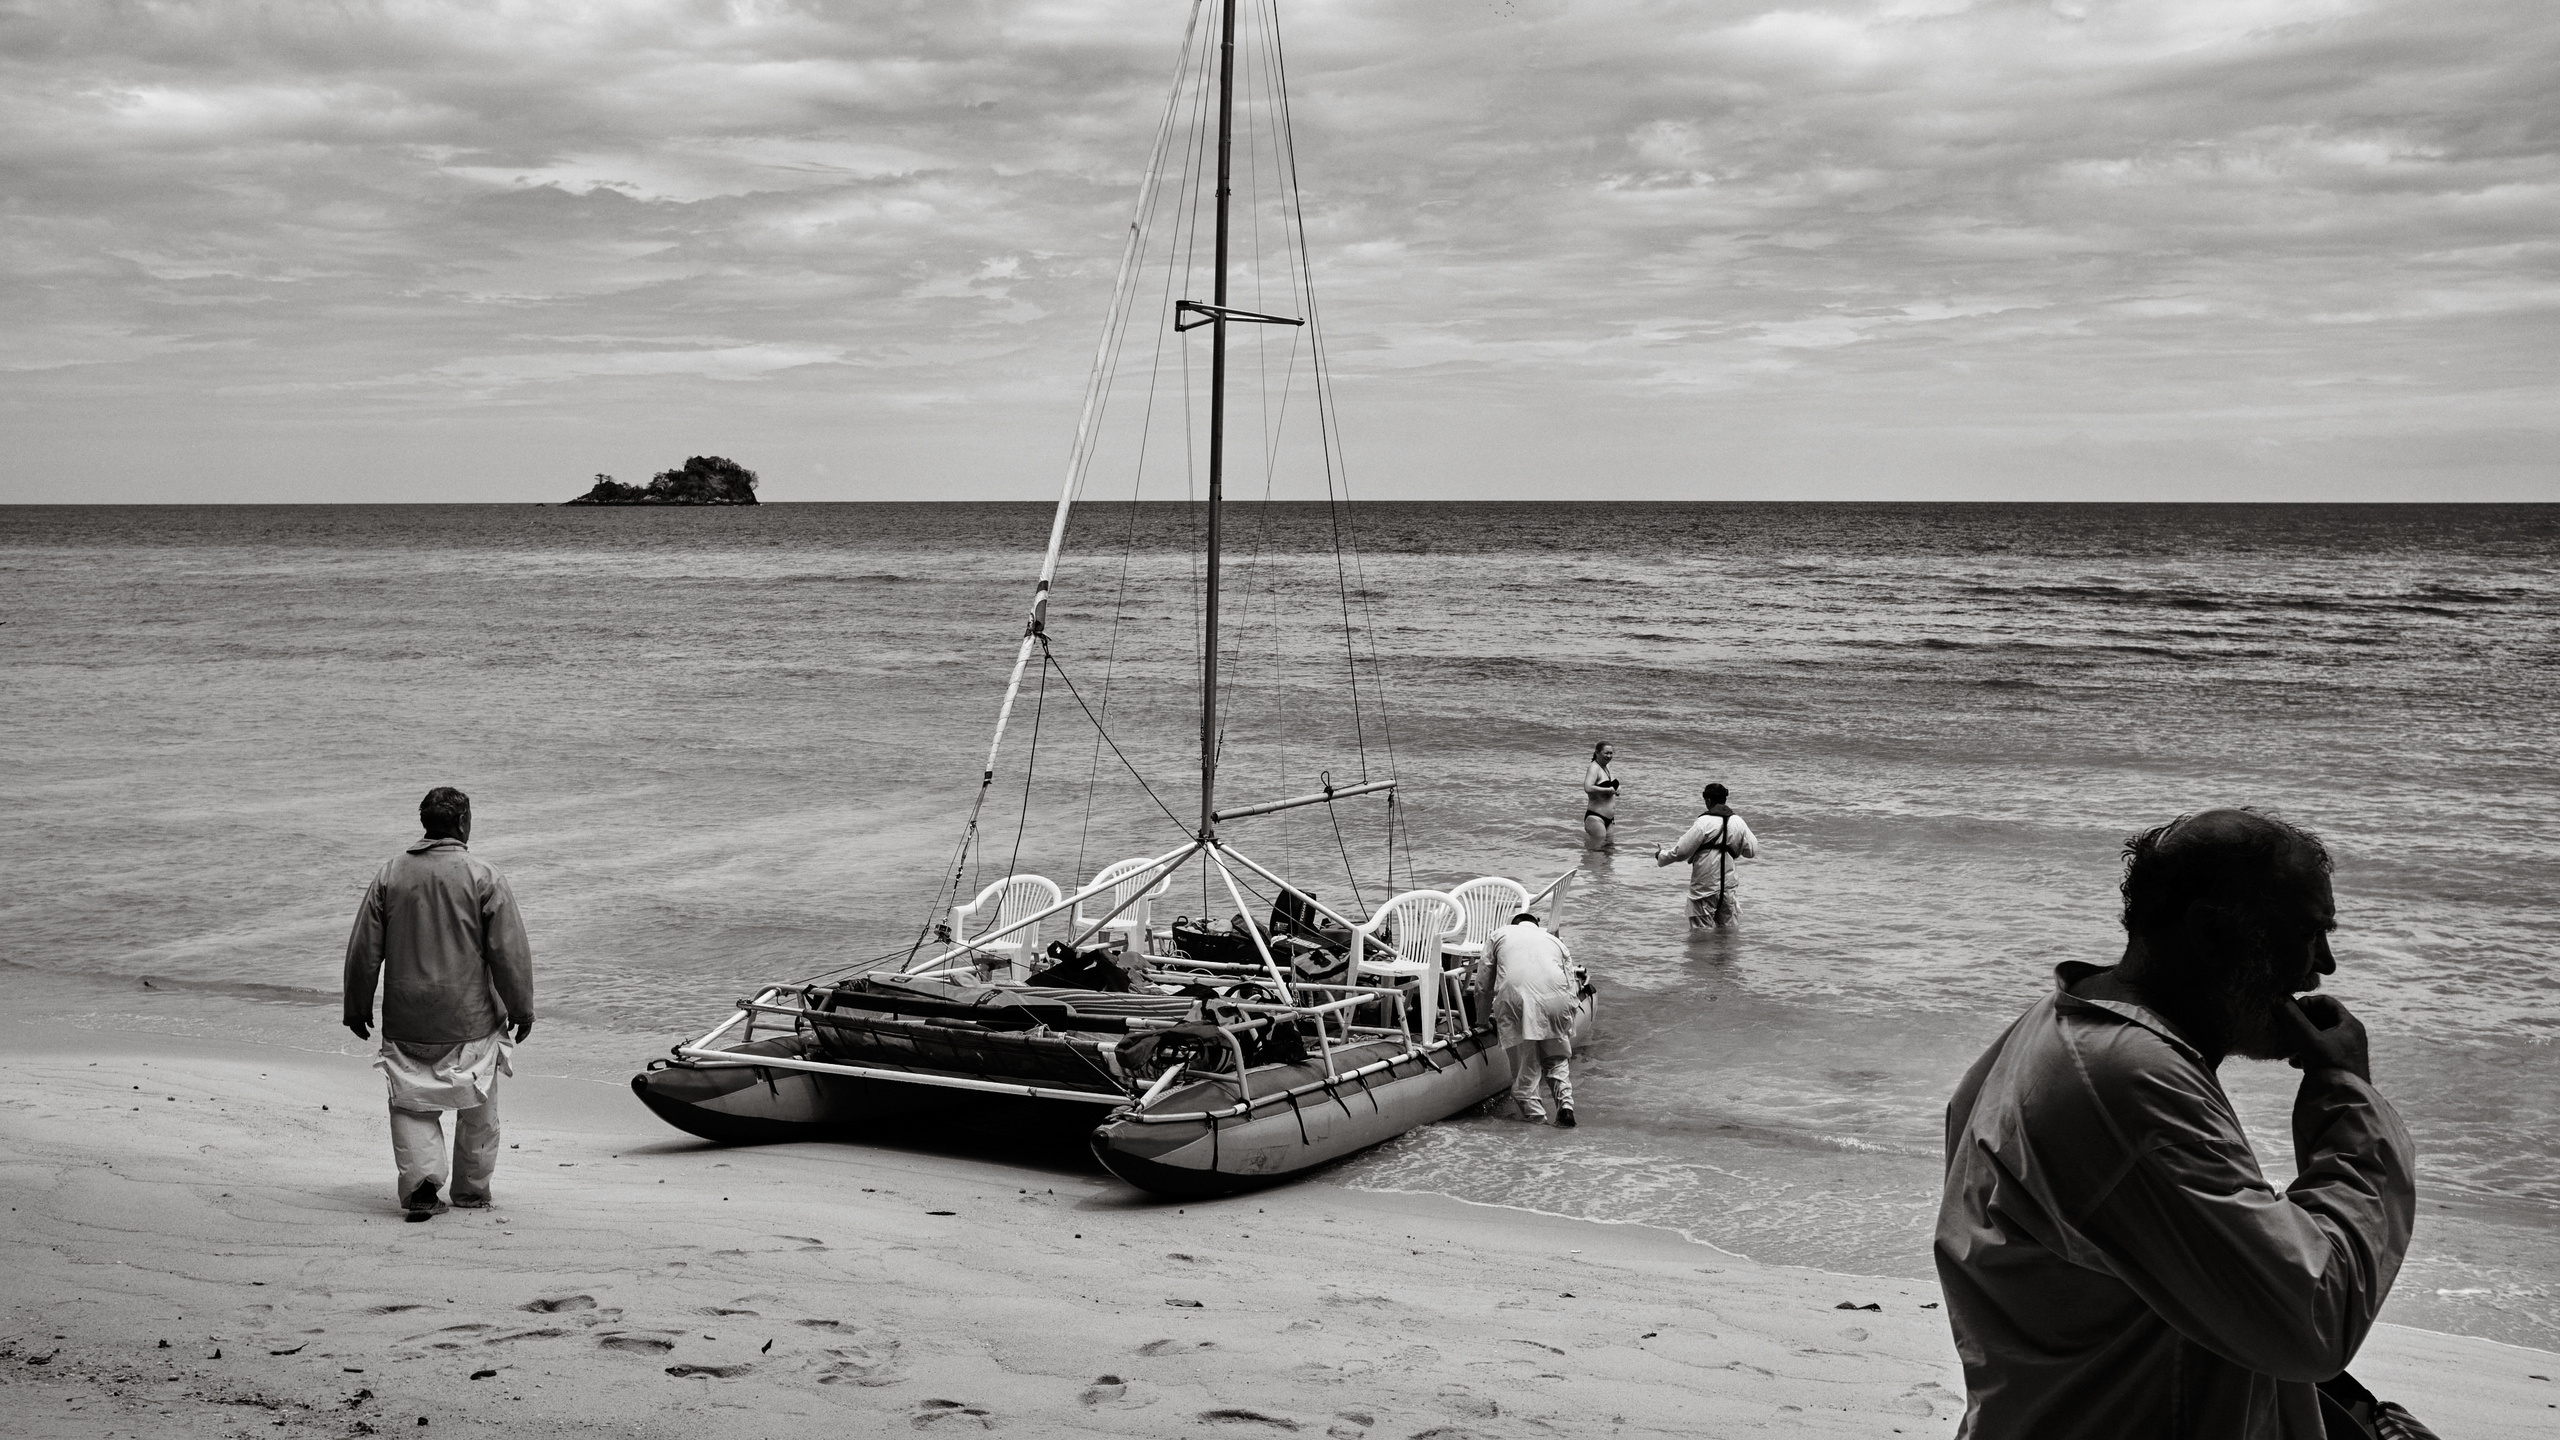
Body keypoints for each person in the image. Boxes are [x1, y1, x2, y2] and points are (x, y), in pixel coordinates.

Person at [1935, 809, 2417, 1439]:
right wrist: (2347, 1097)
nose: (2322, 967)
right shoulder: (2126, 1081)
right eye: (2307, 934)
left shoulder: (2057, 1030)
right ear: (2214, 933)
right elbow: (2315, 1317)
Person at [342, 787, 535, 1221]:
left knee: (412, 1104)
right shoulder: (483, 876)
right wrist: (522, 1008)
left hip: (408, 1018)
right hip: (471, 1018)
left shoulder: (391, 874)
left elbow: (364, 950)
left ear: (424, 823)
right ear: (464, 823)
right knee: (478, 1106)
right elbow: (509, 952)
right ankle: (470, 1190)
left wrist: (356, 1006)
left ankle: (424, 1190)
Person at [1478, 912, 1583, 1127]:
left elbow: (1482, 984)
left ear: (1514, 925)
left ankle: (1538, 1124)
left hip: (1518, 1001)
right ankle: (1565, 1107)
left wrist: (1481, 1021)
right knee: (1556, 1059)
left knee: (1525, 1071)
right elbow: (1571, 983)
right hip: (1558, 1001)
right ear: (1537, 926)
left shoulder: (1499, 934)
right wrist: (1568, 1019)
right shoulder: (1555, 941)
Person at [1654, 783, 1757, 928]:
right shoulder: (1738, 821)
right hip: (1728, 888)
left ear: (1708, 801)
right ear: (1724, 799)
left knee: (1701, 935)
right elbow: (1751, 851)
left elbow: (1681, 852)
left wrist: (1662, 855)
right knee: (1727, 933)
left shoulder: (1703, 822)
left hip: (1705, 887)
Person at [1582, 742, 1620, 851]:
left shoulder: (1607, 766)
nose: (1609, 756)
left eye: (1611, 753)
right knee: (1597, 852)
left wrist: (1618, 788)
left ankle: (1603, 869)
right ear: (1597, 753)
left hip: (1609, 819)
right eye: (1606, 753)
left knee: (1609, 851)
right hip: (1596, 817)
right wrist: (1608, 790)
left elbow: (1612, 783)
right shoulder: (1594, 768)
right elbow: (1588, 787)